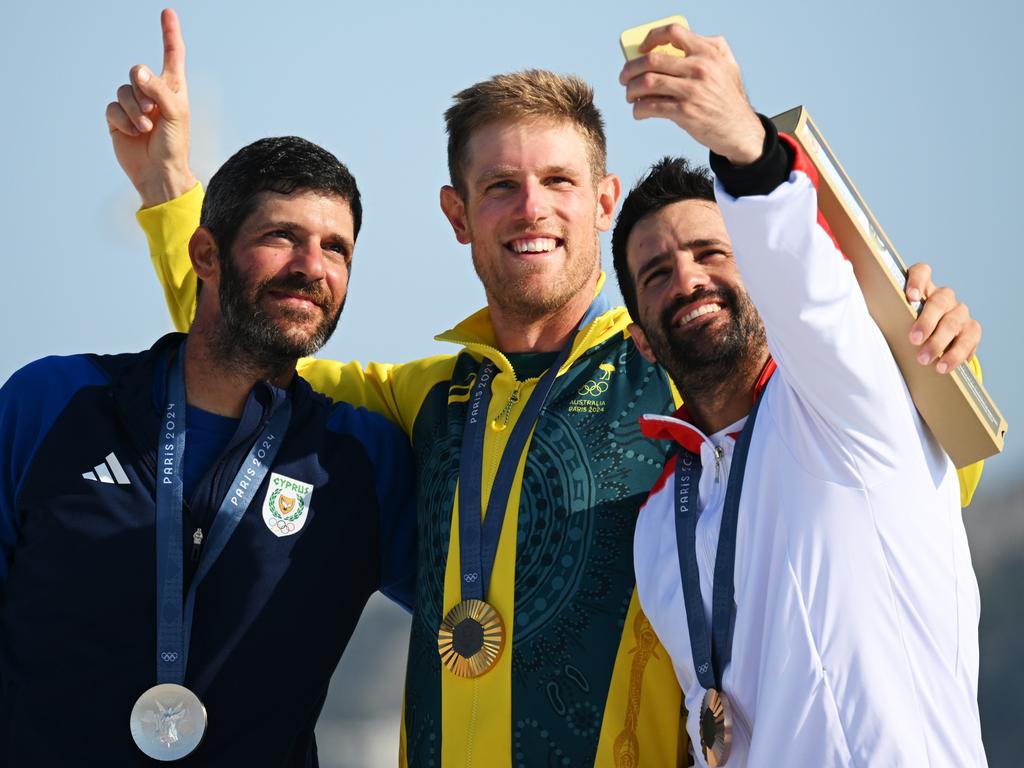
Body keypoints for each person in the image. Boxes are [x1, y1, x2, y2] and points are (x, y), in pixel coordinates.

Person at [108, 11, 984, 765]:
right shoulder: (420, 402)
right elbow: (252, 339)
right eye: (500, 188)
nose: (532, 209)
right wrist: (171, 191)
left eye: (559, 182)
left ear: (603, 203)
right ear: (458, 215)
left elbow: (901, 459)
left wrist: (938, 345)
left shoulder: (683, 368)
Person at [613, 23, 987, 766]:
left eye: (713, 252)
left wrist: (742, 146)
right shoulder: (660, 524)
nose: (687, 280)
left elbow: (811, 288)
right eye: (656, 275)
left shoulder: (843, 402)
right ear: (643, 340)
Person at [0, 132, 416, 766]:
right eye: (282, 236)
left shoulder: (361, 461)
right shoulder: (51, 402)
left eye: (337, 248)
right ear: (205, 254)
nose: (313, 266)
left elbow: (500, 607)